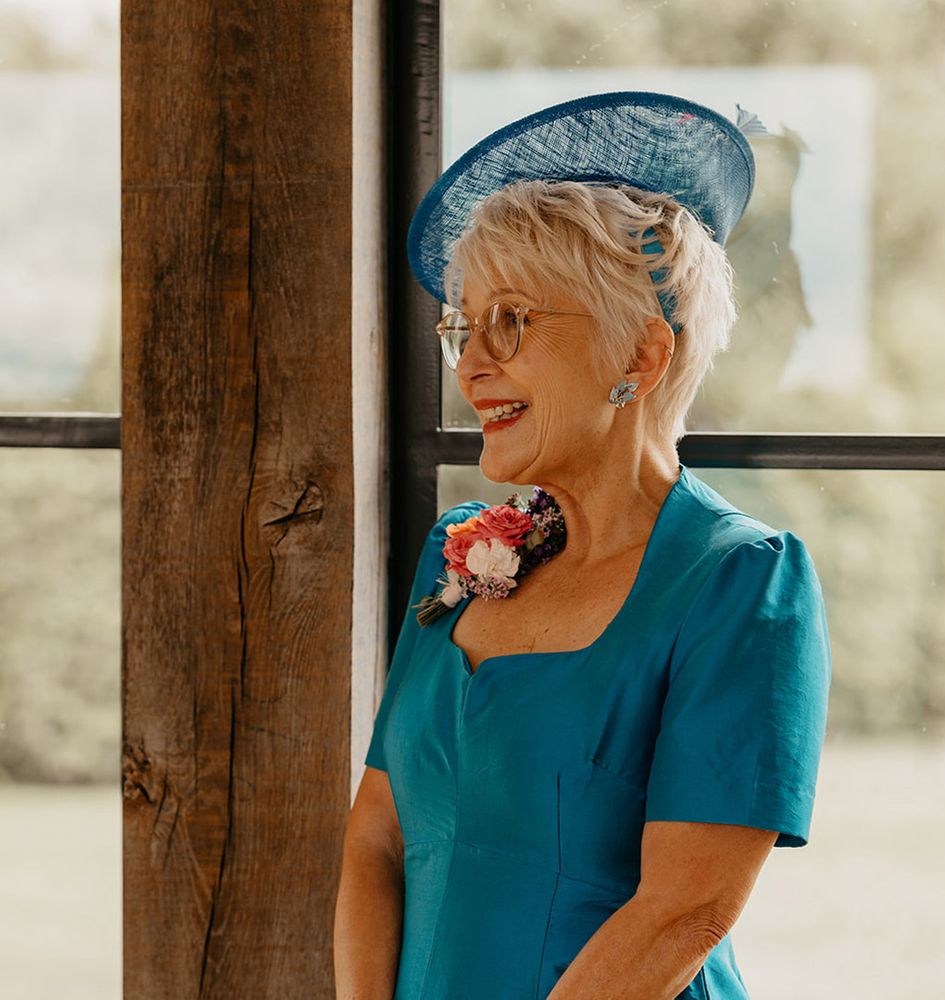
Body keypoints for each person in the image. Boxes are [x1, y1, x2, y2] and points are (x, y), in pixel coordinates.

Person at [334, 92, 832, 1000]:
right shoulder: (458, 552)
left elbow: (688, 909)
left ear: (638, 359)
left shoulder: (742, 583)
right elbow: (376, 837)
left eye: (512, 321)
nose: (472, 363)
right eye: (462, 325)